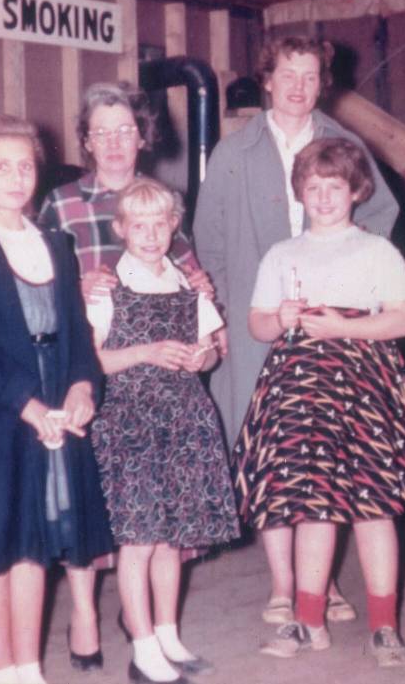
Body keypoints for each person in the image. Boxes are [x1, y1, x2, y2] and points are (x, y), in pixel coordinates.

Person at [193, 35, 399, 626]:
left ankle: (324, 580)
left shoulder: (346, 143)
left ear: (321, 83)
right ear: (268, 78)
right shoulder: (234, 152)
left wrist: (351, 284)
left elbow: (382, 213)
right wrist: (230, 321)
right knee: (272, 454)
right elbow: (210, 244)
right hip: (258, 322)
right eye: (289, 73)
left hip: (330, 326)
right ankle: (284, 584)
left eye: (310, 76)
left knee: (327, 453)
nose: (299, 86)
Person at [233, 138, 405, 667]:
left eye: (335, 187)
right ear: (300, 194)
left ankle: (384, 626)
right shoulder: (282, 254)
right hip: (299, 389)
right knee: (312, 505)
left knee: (374, 508)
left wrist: (341, 327)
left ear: (356, 191)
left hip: (364, 386)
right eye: (313, 187)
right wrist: (280, 319)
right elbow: (257, 324)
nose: (325, 197)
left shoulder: (377, 250)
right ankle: (309, 622)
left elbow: (403, 320)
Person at [0, 115, 114, 684]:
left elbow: (78, 332)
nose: (16, 177)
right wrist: (26, 404)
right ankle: (1, 670)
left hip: (53, 413)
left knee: (36, 541)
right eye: (1, 166)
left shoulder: (56, 243)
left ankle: (29, 668)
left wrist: (83, 385)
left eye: (25, 165)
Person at [36, 81, 214, 668]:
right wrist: (73, 286)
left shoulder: (165, 205)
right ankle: (85, 612)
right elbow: (34, 283)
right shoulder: (62, 203)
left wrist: (202, 326)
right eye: (100, 133)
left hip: (163, 388)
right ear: (86, 141)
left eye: (125, 131)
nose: (114, 143)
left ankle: (156, 628)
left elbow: (190, 286)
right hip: (85, 364)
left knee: (155, 523)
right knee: (89, 502)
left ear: (143, 136)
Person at [87, 178, 239, 684]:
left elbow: (215, 348)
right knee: (139, 540)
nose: (150, 235)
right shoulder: (109, 287)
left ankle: (169, 634)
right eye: (138, 225)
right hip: (130, 422)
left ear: (174, 225)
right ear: (120, 229)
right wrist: (145, 354)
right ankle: (142, 644)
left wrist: (204, 354)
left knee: (173, 539)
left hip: (184, 417)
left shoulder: (186, 282)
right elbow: (89, 362)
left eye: (160, 223)